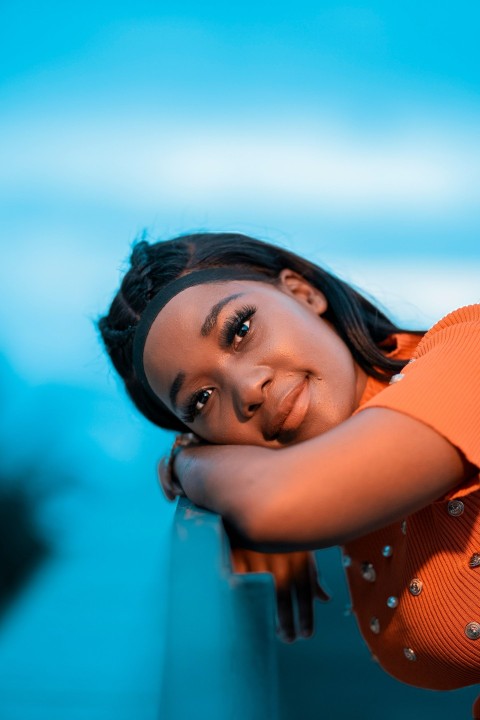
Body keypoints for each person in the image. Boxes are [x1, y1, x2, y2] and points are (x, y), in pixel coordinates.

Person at [98, 232, 480, 714]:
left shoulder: (469, 352)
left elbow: (274, 504)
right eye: (201, 400)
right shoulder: (339, 474)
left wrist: (185, 463)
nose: (247, 389)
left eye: (239, 329)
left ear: (304, 293)